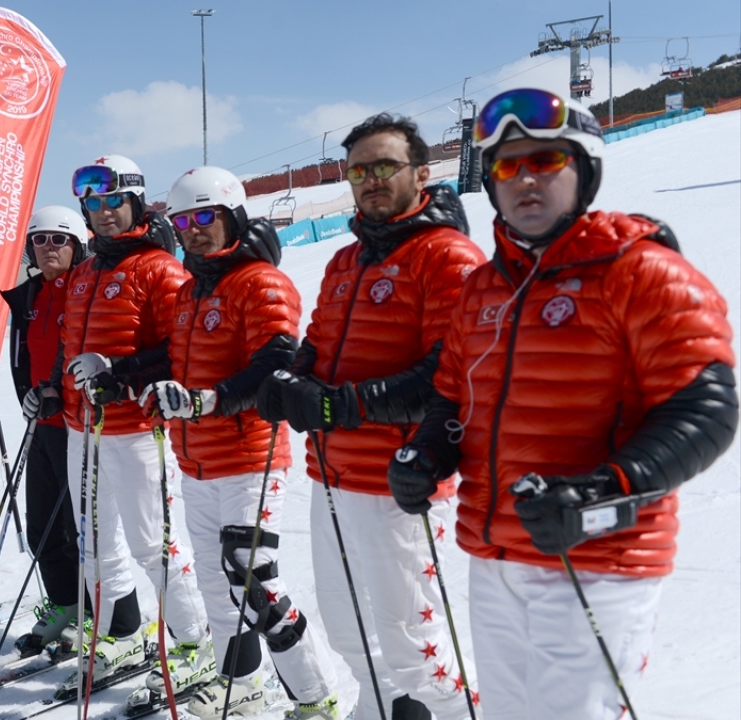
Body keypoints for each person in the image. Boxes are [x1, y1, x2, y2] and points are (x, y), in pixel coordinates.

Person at [387, 88, 736, 719]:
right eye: (506, 165)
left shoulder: (639, 269)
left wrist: (602, 491)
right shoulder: (481, 290)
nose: (525, 178)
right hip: (496, 556)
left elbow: (704, 408)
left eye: (545, 160)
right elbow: (452, 397)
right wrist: (429, 452)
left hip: (598, 559)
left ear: (584, 169)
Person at [257, 113, 486, 719]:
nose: (371, 180)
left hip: (399, 483)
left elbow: (451, 373)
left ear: (422, 173)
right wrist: (289, 380)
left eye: (385, 166)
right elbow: (316, 343)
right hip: (332, 477)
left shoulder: (447, 256)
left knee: (417, 650)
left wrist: (343, 404)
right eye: (359, 170)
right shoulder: (344, 262)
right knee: (350, 631)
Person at [141, 167, 347, 720]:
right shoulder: (189, 291)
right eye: (183, 221)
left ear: (232, 216)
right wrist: (133, 379)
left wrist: (207, 400)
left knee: (254, 581)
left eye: (205, 216)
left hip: (249, 459)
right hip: (196, 462)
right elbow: (174, 362)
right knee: (217, 586)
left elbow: (274, 365)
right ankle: (243, 685)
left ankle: (317, 697)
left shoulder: (261, 283)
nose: (193, 230)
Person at [50, 154, 212, 694]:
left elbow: (182, 350)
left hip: (137, 429)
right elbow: (70, 346)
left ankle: (196, 642)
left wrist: (119, 377)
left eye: (114, 201)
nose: (103, 212)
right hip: (82, 427)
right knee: (93, 543)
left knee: (152, 544)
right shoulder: (83, 273)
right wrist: (52, 387)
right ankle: (121, 633)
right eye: (93, 203)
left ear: (136, 203)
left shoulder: (161, 269)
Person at [0, 206, 90, 655]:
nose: (48, 247)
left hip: (80, 426)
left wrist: (62, 393)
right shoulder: (30, 295)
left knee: (82, 530)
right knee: (42, 528)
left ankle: (95, 611)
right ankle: (66, 603)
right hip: (41, 424)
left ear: (78, 246)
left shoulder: (86, 290)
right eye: (40, 239)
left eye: (59, 239)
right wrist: (28, 398)